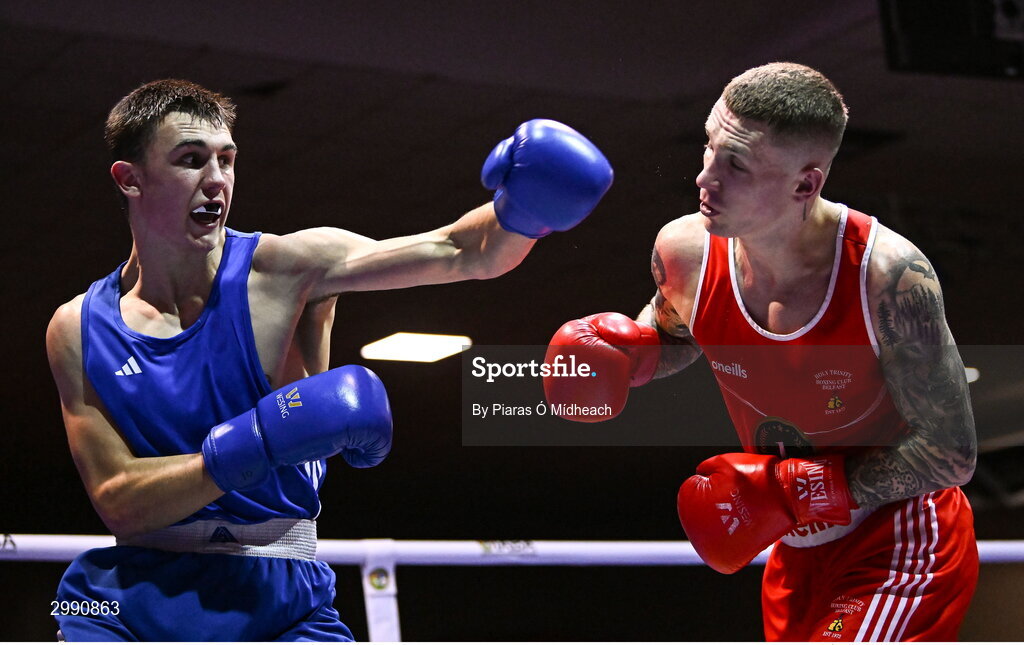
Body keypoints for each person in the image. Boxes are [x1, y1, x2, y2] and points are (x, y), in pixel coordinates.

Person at [45, 79, 613, 641]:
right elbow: (118, 502)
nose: (216, 181)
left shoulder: (289, 271)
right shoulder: (78, 328)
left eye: (226, 159)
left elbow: (465, 252)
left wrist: (522, 212)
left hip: (281, 599)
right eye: (191, 160)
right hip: (134, 605)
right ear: (131, 180)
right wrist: (258, 441)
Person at [545, 62, 978, 641]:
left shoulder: (888, 276)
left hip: (900, 540)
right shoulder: (685, 251)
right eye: (709, 147)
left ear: (806, 184)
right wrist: (634, 353)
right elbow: (678, 331)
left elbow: (952, 455)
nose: (705, 178)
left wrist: (798, 487)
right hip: (793, 547)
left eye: (736, 165)